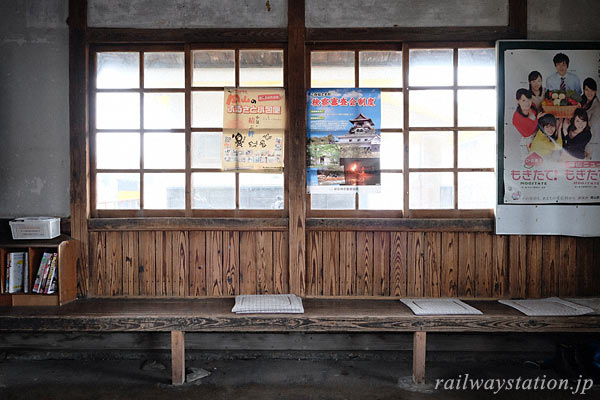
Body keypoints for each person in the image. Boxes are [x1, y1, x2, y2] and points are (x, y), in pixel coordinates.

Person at [582, 78, 600, 159]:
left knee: (586, 156)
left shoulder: (597, 106)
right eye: (586, 90)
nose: (589, 93)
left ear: (596, 91)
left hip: (589, 135)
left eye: (592, 90)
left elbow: (590, 124)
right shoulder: (582, 99)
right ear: (583, 90)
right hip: (579, 131)